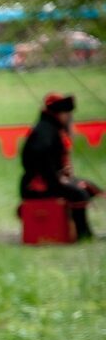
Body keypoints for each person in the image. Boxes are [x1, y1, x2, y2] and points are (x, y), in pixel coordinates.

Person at [20, 92, 101, 240]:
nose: (68, 117)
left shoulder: (51, 129)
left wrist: (62, 173)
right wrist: (56, 178)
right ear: (58, 113)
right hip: (37, 185)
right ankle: (83, 234)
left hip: (51, 179)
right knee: (78, 193)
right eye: (65, 113)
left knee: (87, 187)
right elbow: (39, 158)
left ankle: (78, 231)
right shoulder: (44, 131)